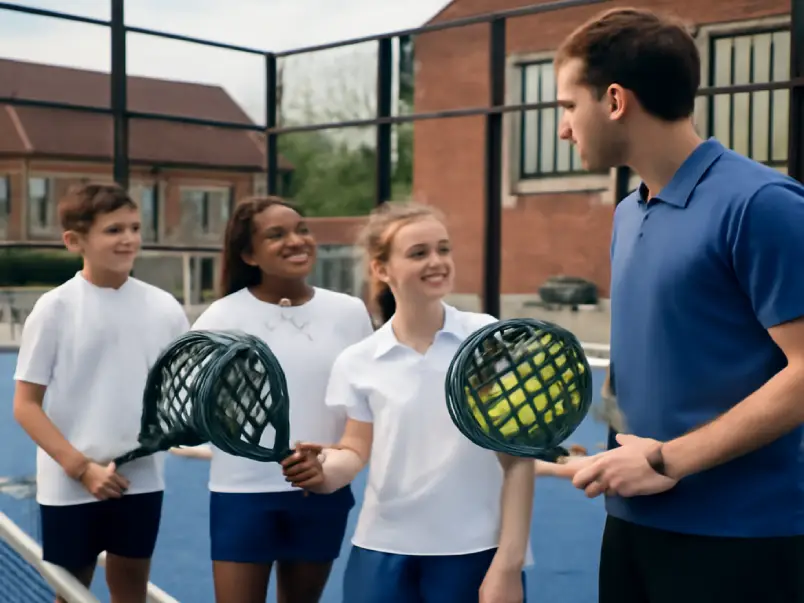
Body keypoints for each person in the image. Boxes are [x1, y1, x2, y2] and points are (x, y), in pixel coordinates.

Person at [540, 6, 804, 602]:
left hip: (743, 536)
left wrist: (666, 462)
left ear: (613, 101)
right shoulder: (629, 211)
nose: (563, 129)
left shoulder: (763, 204)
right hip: (632, 523)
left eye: (566, 106)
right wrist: (615, 444)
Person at [281, 201, 536, 603]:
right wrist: (322, 471)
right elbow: (354, 451)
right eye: (419, 253)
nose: (437, 262)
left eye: (443, 249)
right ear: (381, 270)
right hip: (381, 550)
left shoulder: (487, 340)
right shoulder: (358, 360)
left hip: (473, 552)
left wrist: (508, 564)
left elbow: (518, 459)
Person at [189, 196, 375, 603]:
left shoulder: (349, 312)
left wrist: (329, 465)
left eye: (301, 229)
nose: (296, 241)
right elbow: (195, 405)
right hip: (241, 495)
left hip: (321, 492)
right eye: (276, 235)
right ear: (248, 254)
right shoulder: (220, 319)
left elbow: (364, 404)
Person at [13, 182, 190, 602]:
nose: (128, 238)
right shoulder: (55, 308)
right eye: (113, 230)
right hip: (69, 485)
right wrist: (82, 469)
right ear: (75, 241)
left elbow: (181, 393)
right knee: (70, 594)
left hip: (140, 483)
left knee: (130, 591)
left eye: (134, 227)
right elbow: (26, 406)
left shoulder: (165, 307)